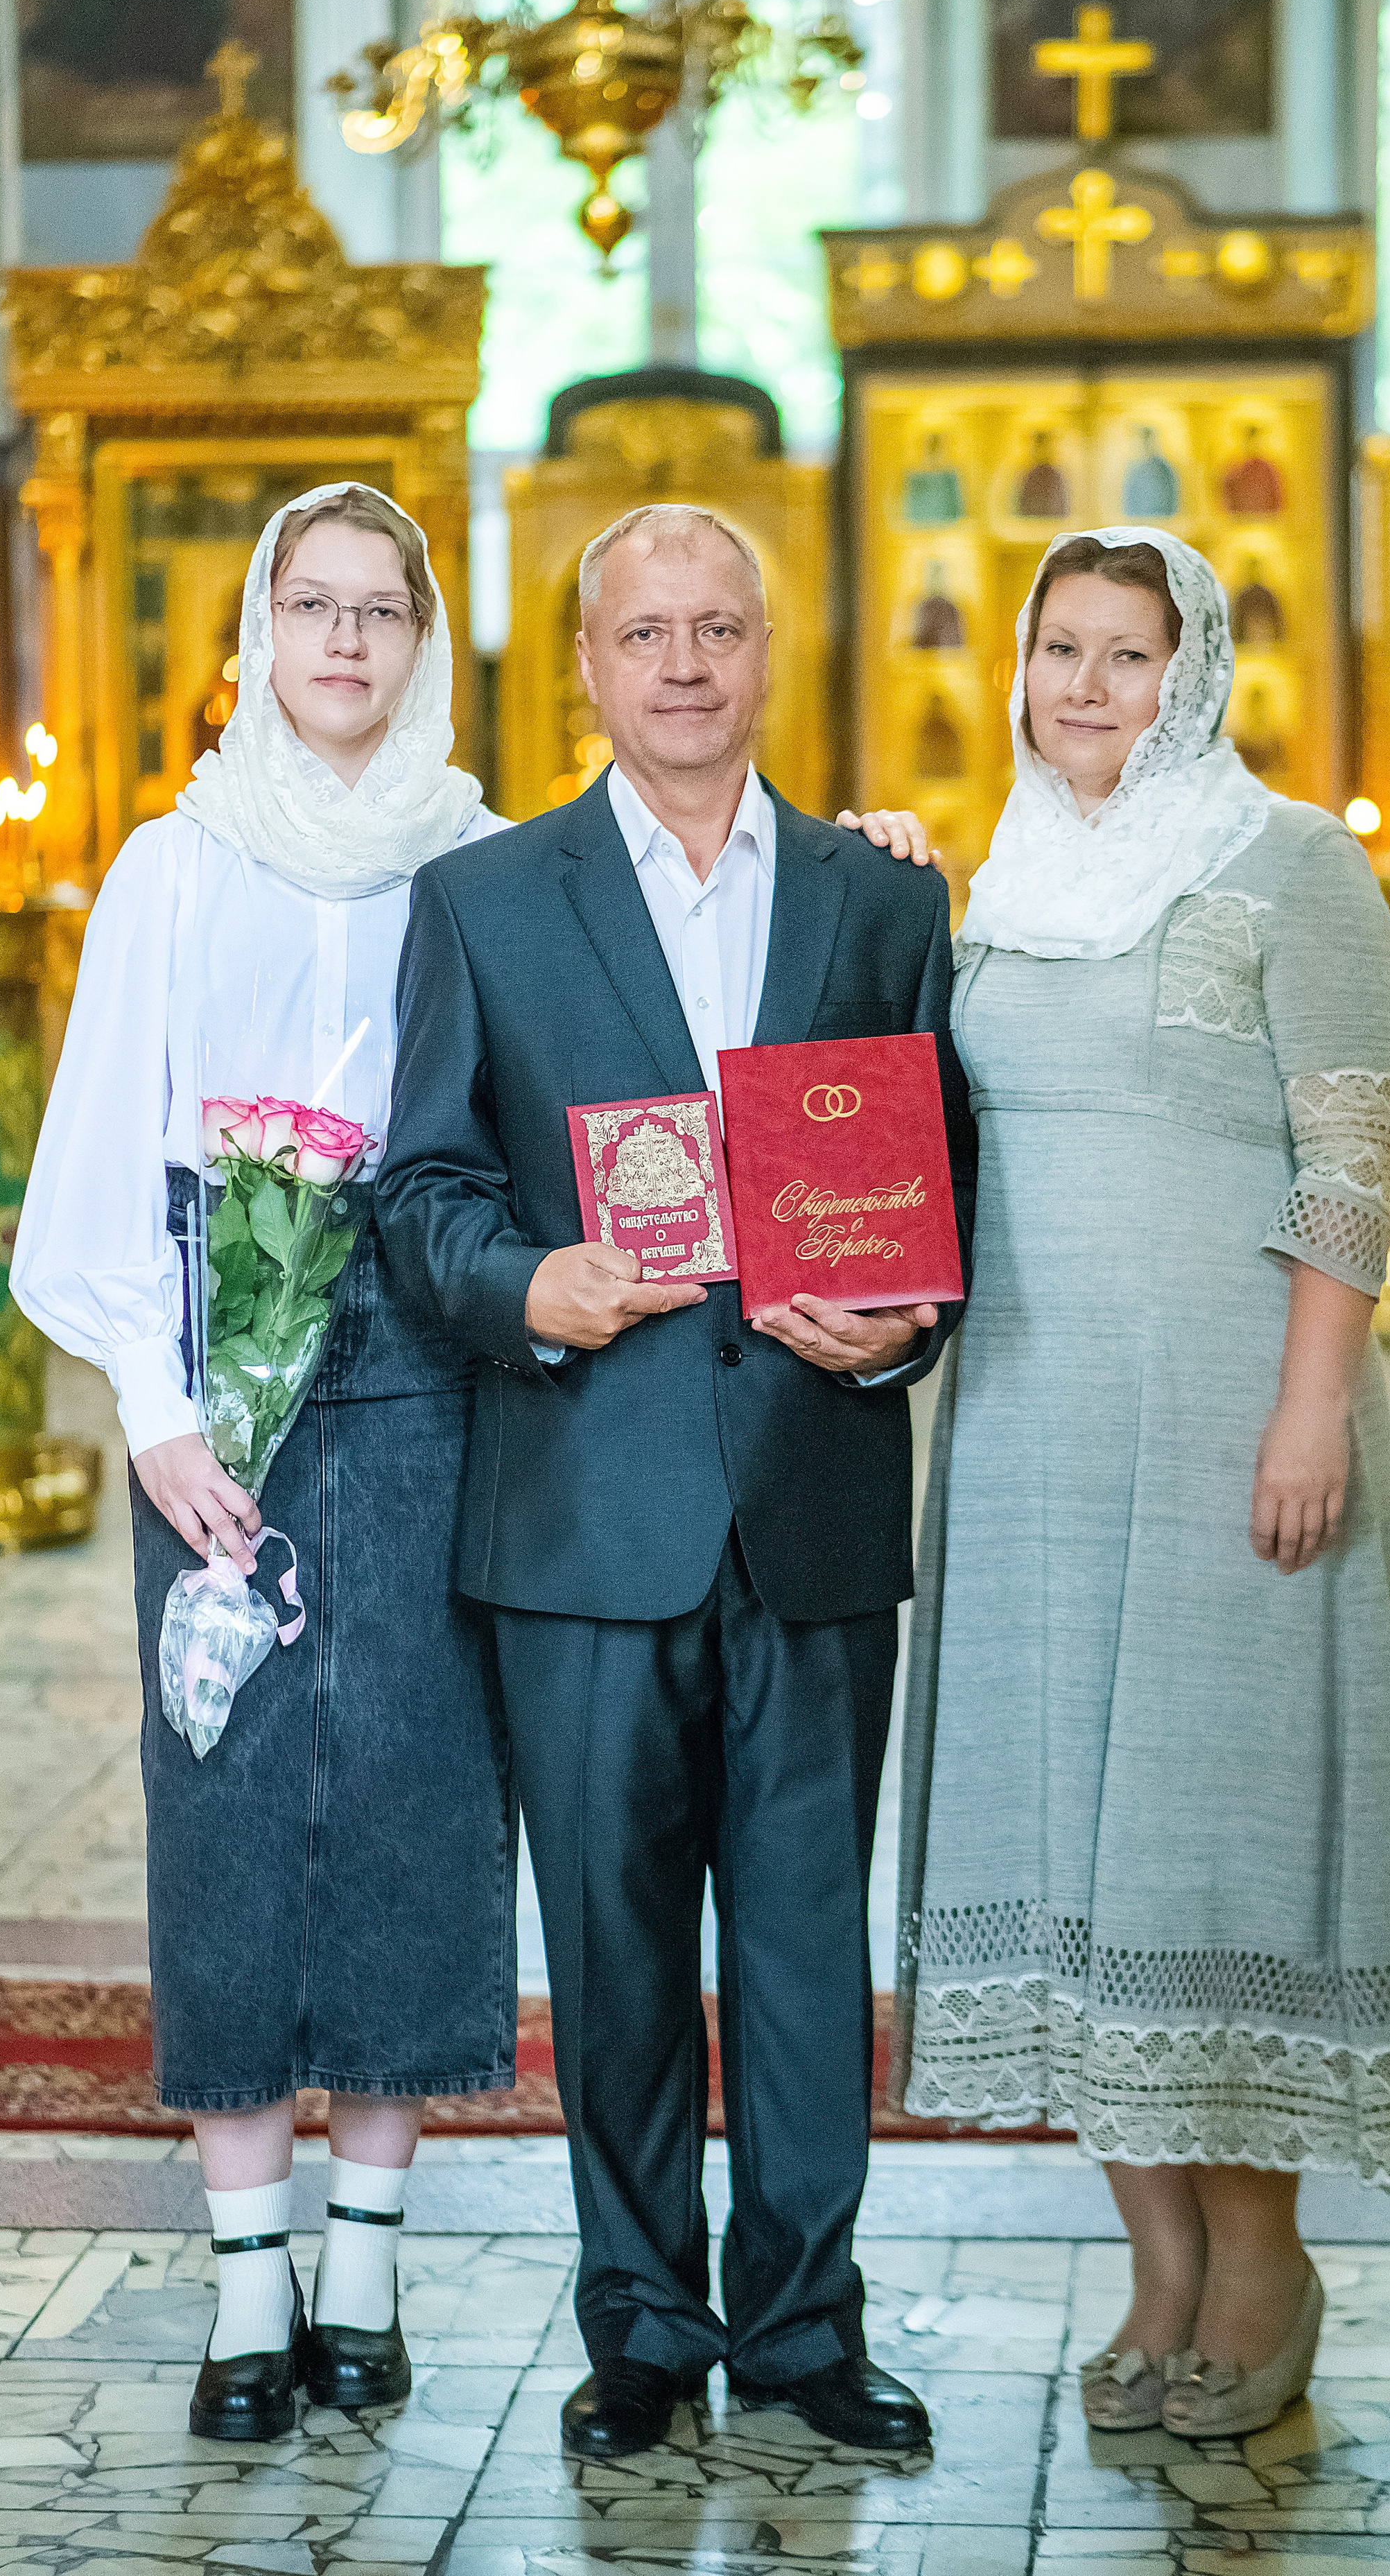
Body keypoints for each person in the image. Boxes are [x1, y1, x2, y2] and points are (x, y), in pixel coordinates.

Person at [376, 503, 975, 2464]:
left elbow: (943, 1181)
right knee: (617, 1953)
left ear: (767, 648)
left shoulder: (881, 897)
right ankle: (639, 2321)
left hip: (811, 1494)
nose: (688, 663)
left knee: (805, 1947)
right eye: (647, 632)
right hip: (581, 1506)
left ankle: (804, 2320)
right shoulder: (485, 898)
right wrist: (525, 1286)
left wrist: (904, 1321)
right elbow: (422, 1190)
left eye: (720, 626)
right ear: (587, 663)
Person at [895, 526, 1390, 2444]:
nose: (1087, 687)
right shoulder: (996, 887)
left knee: (1211, 1833)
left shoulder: (1290, 863)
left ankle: (1263, 2263)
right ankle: (1159, 2267)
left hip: (1230, 1423)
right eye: (1061, 649)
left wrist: (1313, 1411)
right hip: (1029, 1428)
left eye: (1130, 654)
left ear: (1194, 671)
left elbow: (1350, 1165)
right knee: (1061, 1837)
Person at [12, 482, 518, 2442]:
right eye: (312, 605)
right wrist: (153, 1407)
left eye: (382, 609)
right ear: (258, 629)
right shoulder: (176, 862)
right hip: (215, 1356)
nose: (346, 641)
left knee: (411, 1779)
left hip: (422, 1347)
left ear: (423, 638)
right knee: (223, 1792)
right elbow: (100, 1144)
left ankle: (365, 2269)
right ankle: (248, 2286)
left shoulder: (478, 858)